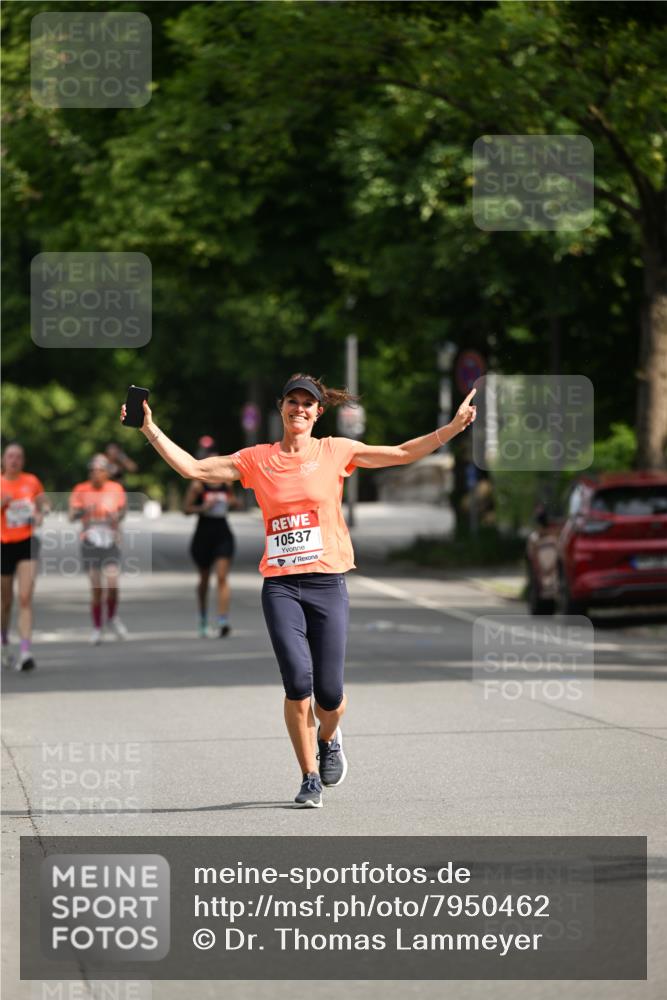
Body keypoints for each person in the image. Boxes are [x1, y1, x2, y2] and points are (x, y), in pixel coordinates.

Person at [121, 373, 476, 808]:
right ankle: (309, 776)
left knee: (330, 693)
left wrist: (452, 429)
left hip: (328, 582)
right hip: (281, 586)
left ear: (318, 413)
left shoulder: (335, 451)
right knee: (297, 682)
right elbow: (195, 468)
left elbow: (401, 453)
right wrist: (148, 428)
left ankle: (330, 737)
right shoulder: (258, 459)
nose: (300, 409)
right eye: (293, 402)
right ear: (282, 408)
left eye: (308, 404)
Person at [183, 435, 238, 637]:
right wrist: (202, 507)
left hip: (222, 531)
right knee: (205, 579)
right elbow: (186, 509)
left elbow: (235, 504)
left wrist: (231, 503)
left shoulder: (227, 483)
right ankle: (203, 617)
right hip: (203, 532)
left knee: (222, 576)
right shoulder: (198, 485)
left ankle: (223, 620)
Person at [69, 455, 128, 645]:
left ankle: (111, 617)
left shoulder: (115, 488)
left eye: (100, 470)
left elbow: (123, 512)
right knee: (96, 588)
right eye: (92, 470)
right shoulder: (81, 489)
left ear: (107, 472)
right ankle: (97, 627)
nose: (95, 473)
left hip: (110, 540)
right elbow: (71, 515)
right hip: (90, 541)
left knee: (112, 585)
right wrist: (86, 510)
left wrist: (116, 516)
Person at [1, 443, 47, 671]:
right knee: (5, 602)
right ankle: (3, 641)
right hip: (3, 545)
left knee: (25, 597)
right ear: (3, 460)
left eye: (18, 456)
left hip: (27, 542)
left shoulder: (31, 481)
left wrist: (40, 514)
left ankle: (25, 651)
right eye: (10, 456)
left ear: (23, 460)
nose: (14, 460)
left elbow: (43, 503)